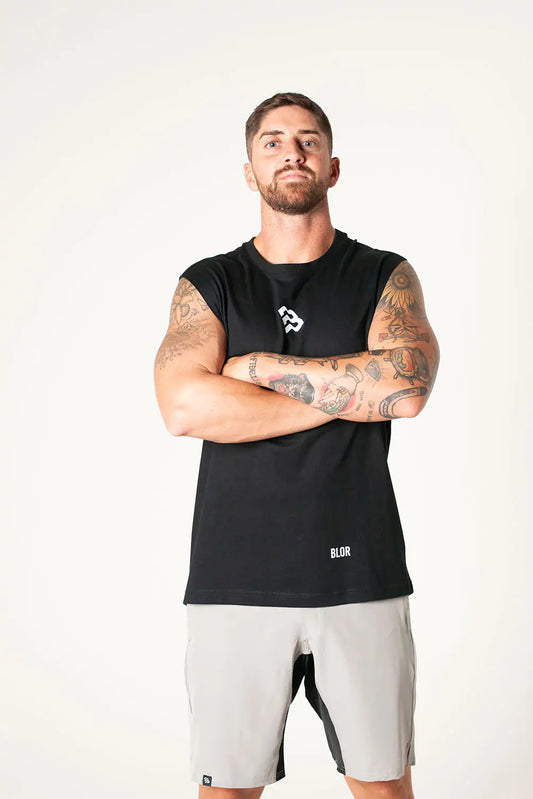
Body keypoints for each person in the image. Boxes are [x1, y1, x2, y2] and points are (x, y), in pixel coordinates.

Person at [154, 91, 440, 799]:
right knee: (226, 791)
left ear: (332, 166)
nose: (292, 153)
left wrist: (257, 369)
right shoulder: (210, 283)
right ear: (248, 171)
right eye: (273, 142)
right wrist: (348, 394)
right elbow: (184, 406)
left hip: (359, 573)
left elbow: (405, 388)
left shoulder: (383, 275)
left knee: (383, 787)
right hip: (234, 577)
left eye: (309, 140)